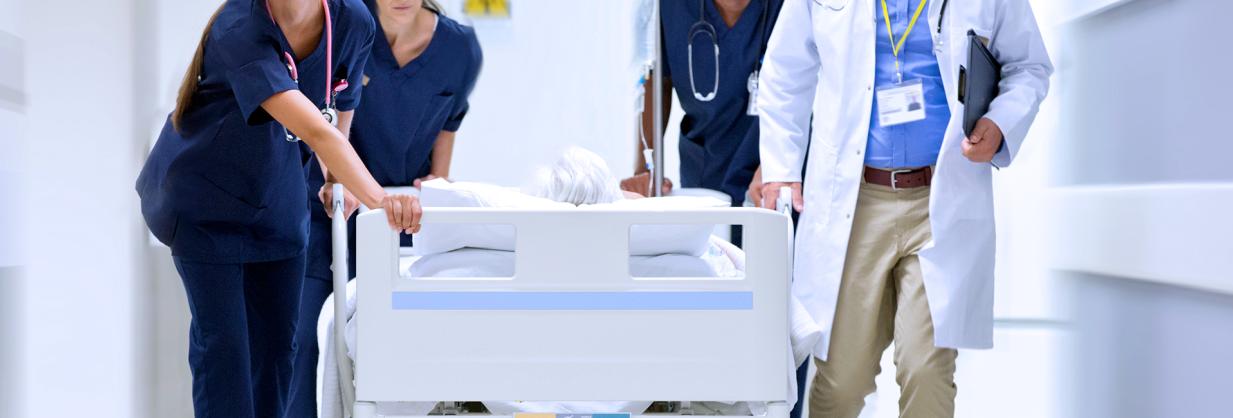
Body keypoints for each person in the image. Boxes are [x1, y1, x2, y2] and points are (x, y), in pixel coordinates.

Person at [757, 0, 1052, 417]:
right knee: (841, 383)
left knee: (926, 370)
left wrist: (1001, 121)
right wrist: (781, 166)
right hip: (855, 203)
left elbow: (1028, 65)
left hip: (940, 199)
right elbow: (785, 70)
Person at [135, 0, 423, 416]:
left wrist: (334, 178)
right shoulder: (239, 28)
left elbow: (343, 101)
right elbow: (313, 131)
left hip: (277, 205)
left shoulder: (352, 20)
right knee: (226, 355)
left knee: (276, 356)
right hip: (206, 204)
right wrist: (381, 198)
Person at [287, 0, 482, 414]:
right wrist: (335, 180)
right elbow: (316, 122)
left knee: (396, 352)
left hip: (401, 224)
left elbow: (449, 123)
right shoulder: (343, 30)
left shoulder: (459, 49)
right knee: (305, 342)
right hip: (329, 211)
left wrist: (440, 183)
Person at [621, 0, 783, 240]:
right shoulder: (666, 7)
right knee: (711, 262)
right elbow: (655, 78)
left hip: (776, 176)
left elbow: (811, 85)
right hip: (706, 169)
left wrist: (779, 163)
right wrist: (646, 168)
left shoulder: (790, 6)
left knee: (777, 265)